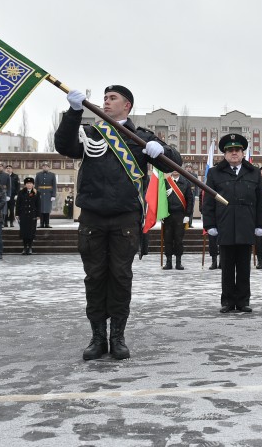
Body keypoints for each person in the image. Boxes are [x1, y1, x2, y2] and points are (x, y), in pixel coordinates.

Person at [55, 84, 181, 361]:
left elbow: (172, 165)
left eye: (113, 98)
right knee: (95, 278)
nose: (106, 102)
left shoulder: (140, 138)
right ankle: (98, 337)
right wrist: (73, 113)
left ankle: (118, 337)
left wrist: (162, 151)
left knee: (121, 279)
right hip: (93, 218)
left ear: (127, 106)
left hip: (125, 219)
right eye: (105, 98)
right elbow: (64, 146)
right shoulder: (91, 133)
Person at [202, 133, 262, 314]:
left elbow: (261, 201)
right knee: (226, 266)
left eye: (237, 150)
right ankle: (227, 301)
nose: (234, 153)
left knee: (243, 266)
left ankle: (243, 301)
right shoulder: (215, 173)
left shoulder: (253, 172)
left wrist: (261, 224)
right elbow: (208, 201)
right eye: (230, 150)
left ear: (243, 152)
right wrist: (210, 225)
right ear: (224, 154)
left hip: (246, 225)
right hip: (224, 225)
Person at [162, 169, 194, 270]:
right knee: (167, 239)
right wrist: (161, 213)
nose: (175, 171)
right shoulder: (165, 182)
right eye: (173, 169)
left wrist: (187, 215)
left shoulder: (186, 183)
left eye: (177, 169)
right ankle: (168, 262)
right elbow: (161, 199)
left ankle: (178, 262)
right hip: (167, 215)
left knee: (178, 239)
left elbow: (190, 199)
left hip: (180, 215)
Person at [16, 177, 41, 254]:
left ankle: (30, 247)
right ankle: (24, 247)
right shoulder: (21, 192)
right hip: (23, 214)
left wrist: (38, 215)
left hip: (32, 215)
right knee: (24, 232)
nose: (29, 185)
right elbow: (18, 204)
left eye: (30, 183)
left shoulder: (36, 192)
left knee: (31, 232)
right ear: (25, 185)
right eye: (27, 183)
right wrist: (17, 214)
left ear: (33, 184)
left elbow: (38, 204)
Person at [35, 163, 58, 228]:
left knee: (47, 209)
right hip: (40, 193)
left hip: (48, 194)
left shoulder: (52, 175)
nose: (45, 167)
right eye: (44, 166)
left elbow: (54, 185)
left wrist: (53, 195)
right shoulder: (38, 174)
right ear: (42, 167)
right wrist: (36, 194)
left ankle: (47, 223)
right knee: (41, 208)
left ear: (49, 167)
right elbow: (36, 185)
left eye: (46, 166)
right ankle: (41, 224)